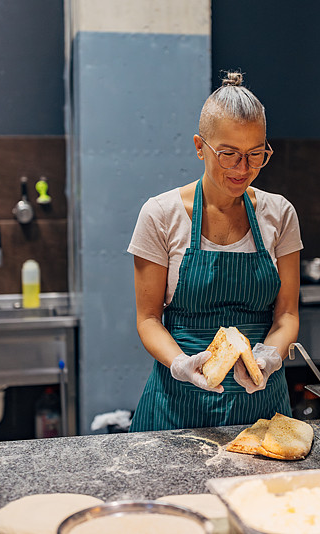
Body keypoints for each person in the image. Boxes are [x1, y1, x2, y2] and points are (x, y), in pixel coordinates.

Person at [127, 71, 302, 432]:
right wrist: (180, 364)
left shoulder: (280, 214)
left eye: (256, 154)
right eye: (228, 154)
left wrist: (268, 357)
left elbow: (287, 314)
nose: (243, 169)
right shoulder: (160, 214)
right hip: (177, 407)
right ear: (199, 146)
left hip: (261, 406)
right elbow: (148, 319)